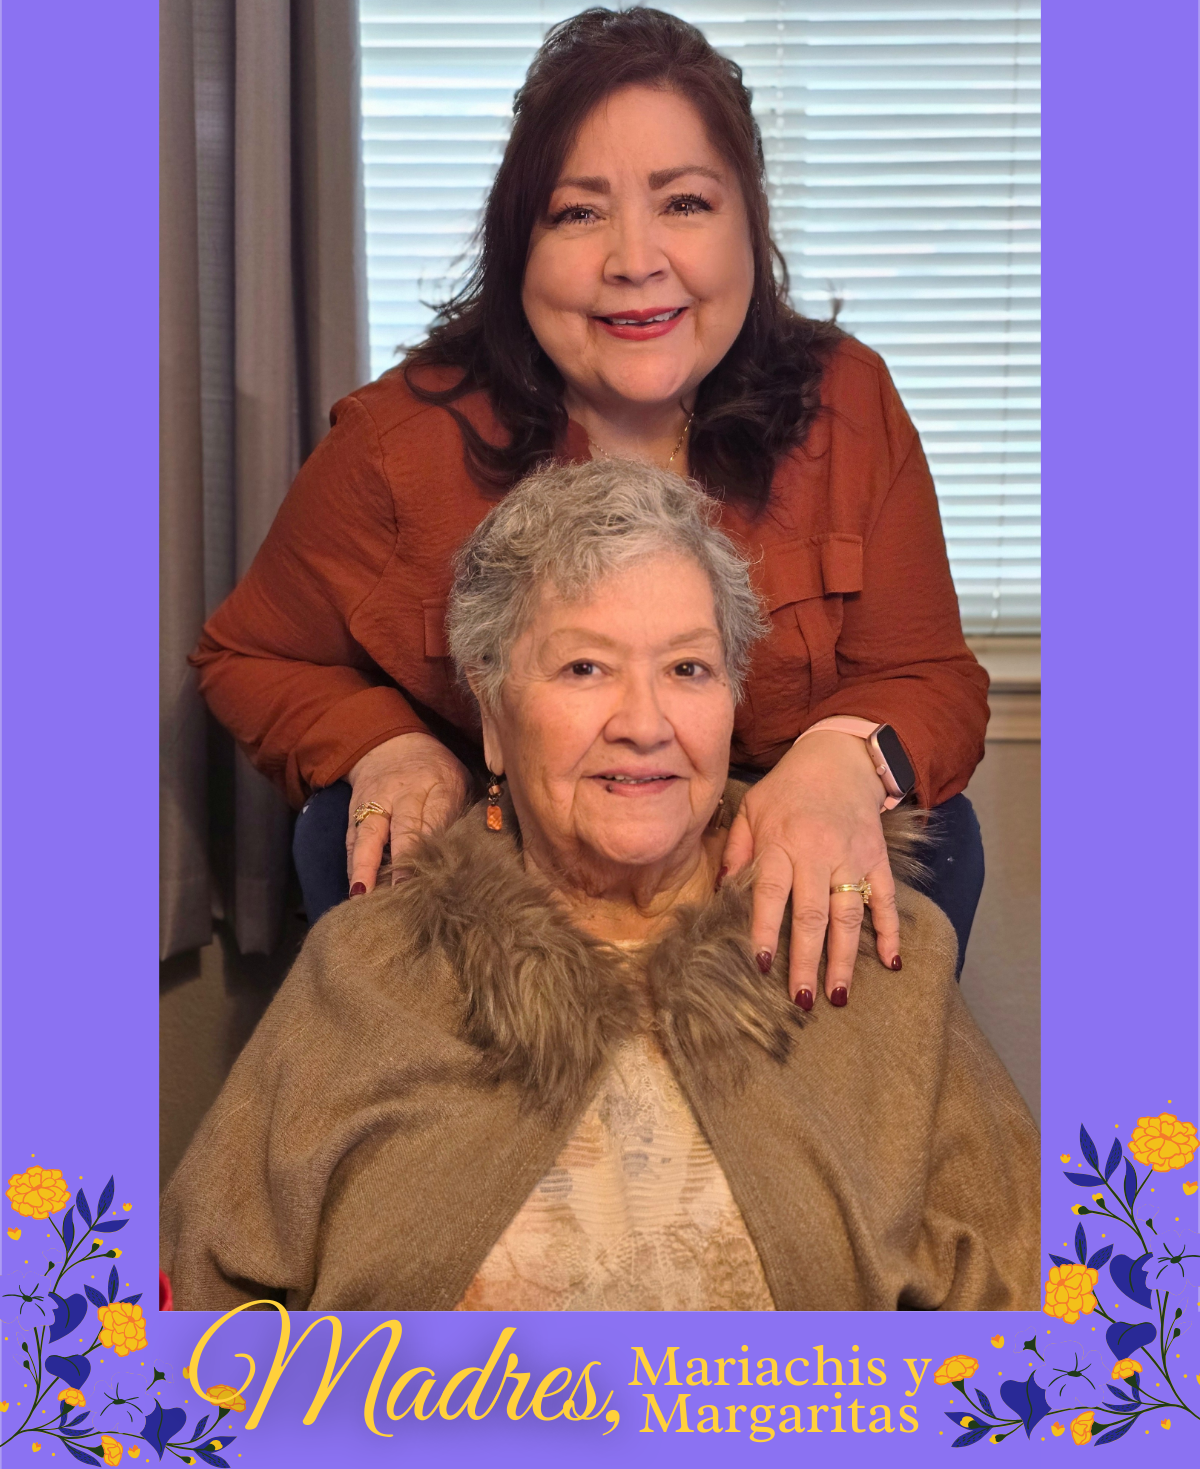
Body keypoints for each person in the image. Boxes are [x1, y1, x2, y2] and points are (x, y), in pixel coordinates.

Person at [191, 5, 989, 1006]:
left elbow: (932, 676)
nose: (634, 261)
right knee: (337, 830)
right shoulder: (396, 443)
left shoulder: (848, 401)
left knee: (945, 837)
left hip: (764, 836)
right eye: (578, 213)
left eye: (685, 203)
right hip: (526, 847)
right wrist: (383, 744)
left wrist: (841, 764)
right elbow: (251, 656)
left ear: (748, 225)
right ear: (517, 244)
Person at [163, 462, 1037, 1312]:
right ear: (492, 716)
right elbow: (192, 1312)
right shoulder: (369, 965)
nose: (645, 724)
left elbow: (1047, 1324)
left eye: (688, 669)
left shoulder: (874, 946)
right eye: (584, 668)